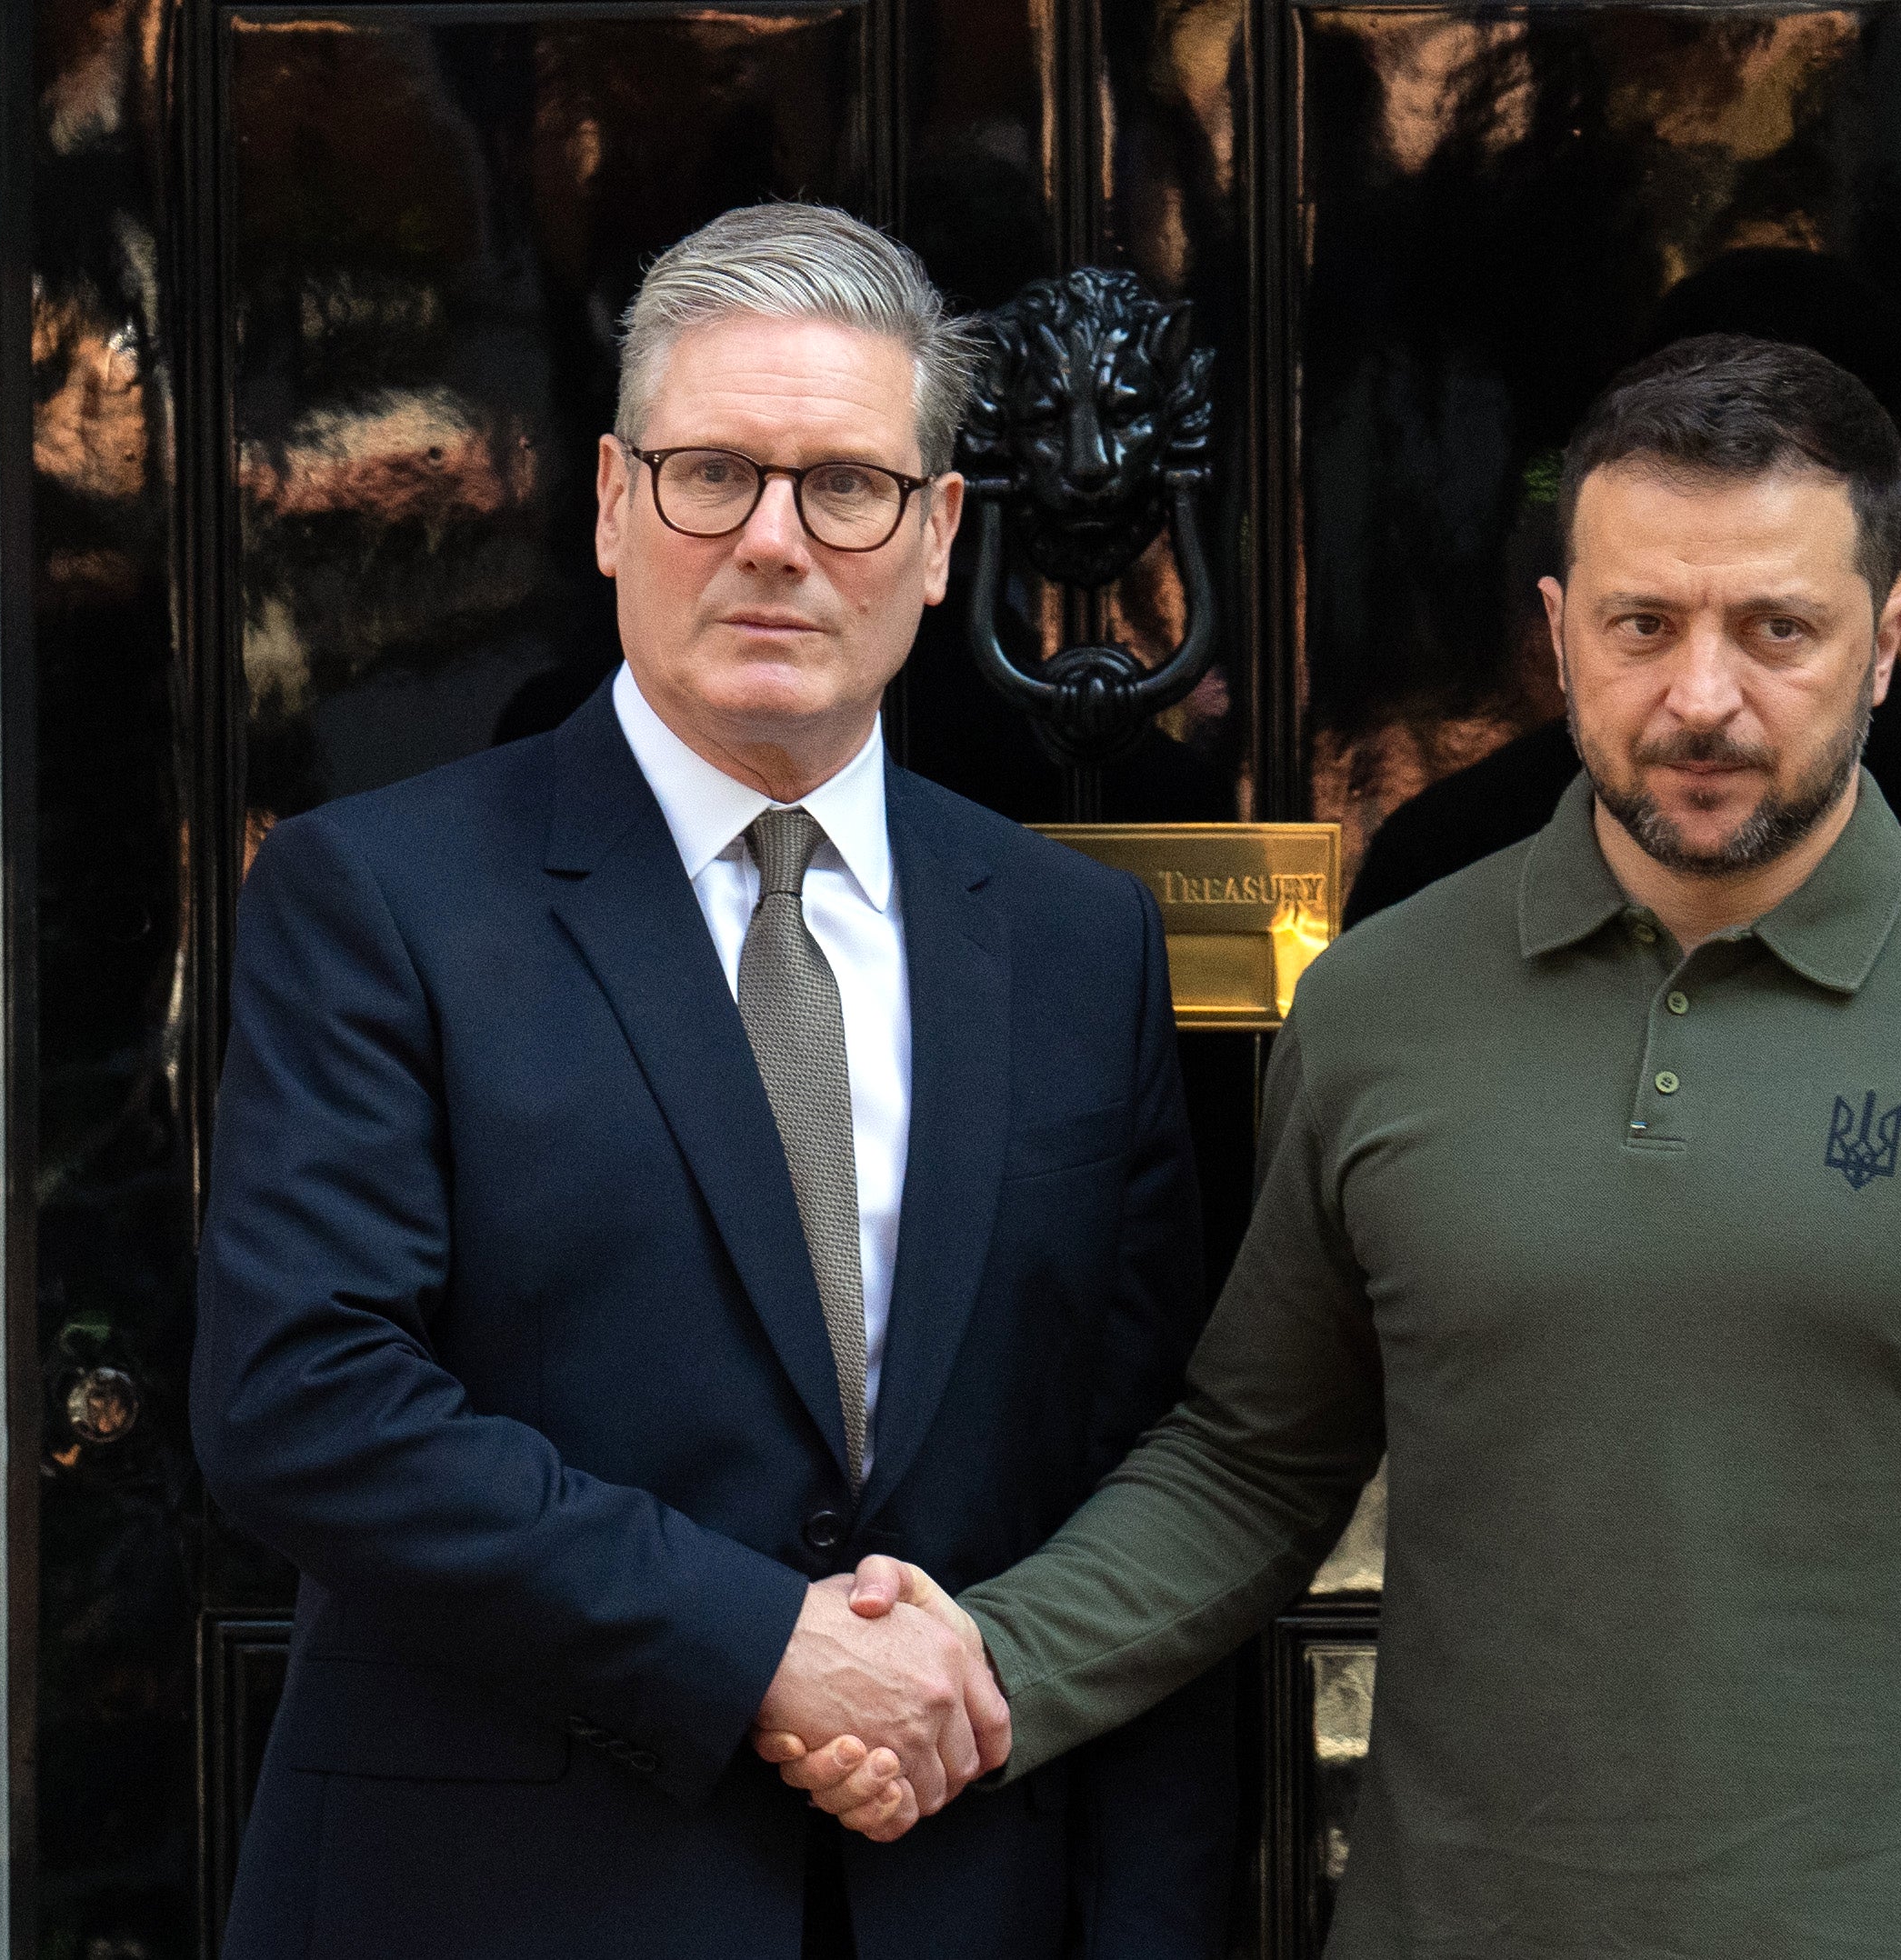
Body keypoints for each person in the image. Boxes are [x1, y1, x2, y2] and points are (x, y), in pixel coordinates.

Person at [770, 335, 1901, 1957]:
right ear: (1558, 636)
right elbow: (1254, 1458)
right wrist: (984, 1666)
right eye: (1642, 625)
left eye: (1777, 629)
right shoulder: (1380, 1008)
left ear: (1885, 643)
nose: (1701, 696)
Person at [193, 203, 1234, 1960]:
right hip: (499, 1907)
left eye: (845, 486)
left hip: (962, 1898)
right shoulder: (379, 898)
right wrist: (759, 1644)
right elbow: (307, 1400)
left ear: (936, 534)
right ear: (611, 505)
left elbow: (1130, 1475)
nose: (775, 542)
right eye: (711, 477)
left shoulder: (1076, 944)